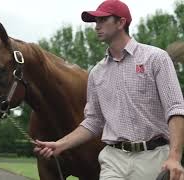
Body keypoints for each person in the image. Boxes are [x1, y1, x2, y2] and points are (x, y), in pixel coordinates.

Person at [34, 0, 184, 179]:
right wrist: (60, 144)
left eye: (102, 20)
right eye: (95, 22)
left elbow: (175, 109)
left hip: (153, 157)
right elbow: (93, 122)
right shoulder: (97, 73)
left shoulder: (156, 59)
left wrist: (174, 157)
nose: (96, 26)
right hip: (113, 159)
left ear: (121, 23)